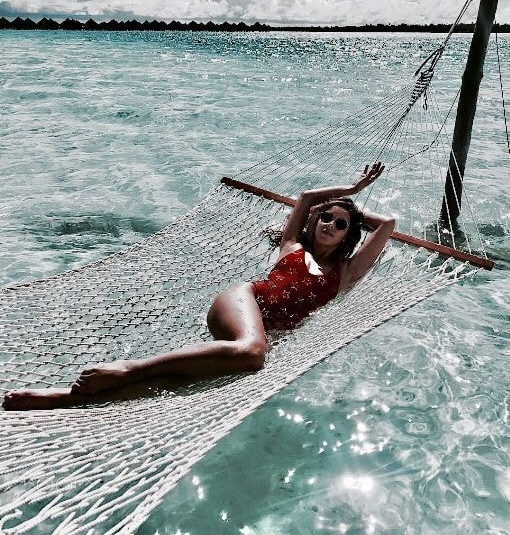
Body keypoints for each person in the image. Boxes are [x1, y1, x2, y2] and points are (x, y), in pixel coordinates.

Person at [3, 162, 395, 410]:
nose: (331, 225)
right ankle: (127, 368)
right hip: (243, 302)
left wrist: (356, 212)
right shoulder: (291, 245)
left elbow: (388, 224)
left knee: (185, 382)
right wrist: (353, 192)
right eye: (327, 218)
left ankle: (66, 398)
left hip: (255, 337)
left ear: (349, 238)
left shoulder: (346, 274)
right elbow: (307, 198)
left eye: (341, 225)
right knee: (253, 354)